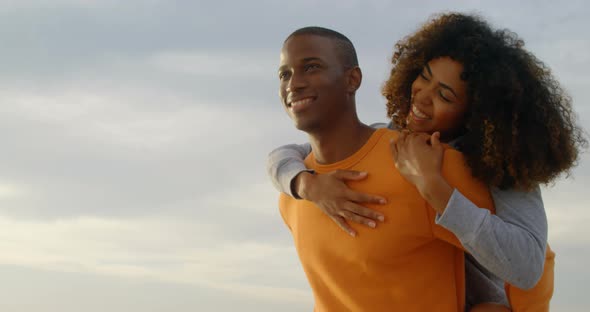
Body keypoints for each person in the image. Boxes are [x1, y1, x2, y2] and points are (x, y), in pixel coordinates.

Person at [269, 14, 586, 311]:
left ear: (477, 115)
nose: (421, 98)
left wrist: (435, 188)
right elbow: (288, 153)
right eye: (424, 77)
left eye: (445, 96)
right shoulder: (397, 141)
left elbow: (530, 265)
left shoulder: (501, 166)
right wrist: (305, 184)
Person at [276, 25, 497, 312]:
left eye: (312, 67)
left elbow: (526, 263)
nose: (294, 84)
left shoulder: (427, 165)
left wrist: (497, 306)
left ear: (352, 79)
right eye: (285, 74)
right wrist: (303, 184)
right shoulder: (293, 194)